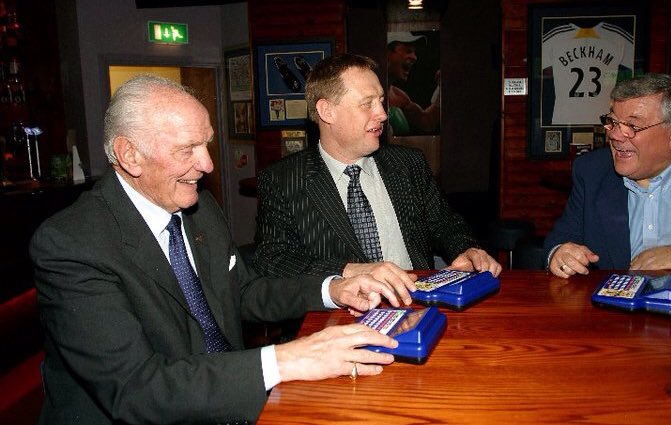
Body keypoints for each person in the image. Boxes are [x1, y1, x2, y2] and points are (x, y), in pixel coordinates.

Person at [29, 75, 414, 424]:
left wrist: (332, 289)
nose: (208, 164)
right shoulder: (71, 244)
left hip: (225, 395)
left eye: (207, 143)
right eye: (187, 149)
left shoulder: (197, 207)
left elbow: (242, 293)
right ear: (129, 154)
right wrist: (287, 359)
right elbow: (137, 390)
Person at [253, 53, 501, 290]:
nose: (382, 114)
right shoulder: (282, 180)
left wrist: (467, 249)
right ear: (327, 111)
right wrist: (350, 271)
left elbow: (445, 225)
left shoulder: (408, 164)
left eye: (381, 101)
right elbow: (273, 259)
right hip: (337, 323)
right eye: (367, 104)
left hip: (416, 305)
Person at [544, 73, 671, 278]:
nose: (615, 135)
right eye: (613, 122)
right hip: (617, 306)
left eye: (633, 126)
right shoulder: (592, 171)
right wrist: (559, 254)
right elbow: (561, 239)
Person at [386, 31, 441, 135]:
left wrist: (441, 87)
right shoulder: (360, 91)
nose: (414, 57)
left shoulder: (399, 97)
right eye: (408, 51)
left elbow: (427, 122)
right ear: (387, 53)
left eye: (414, 53)